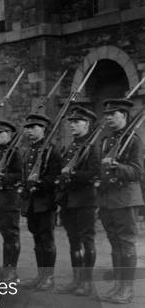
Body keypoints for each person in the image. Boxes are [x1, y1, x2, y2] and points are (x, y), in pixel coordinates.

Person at [97, 99, 143, 303]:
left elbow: (137, 171)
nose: (108, 118)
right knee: (114, 243)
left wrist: (116, 166)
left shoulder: (134, 140)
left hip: (125, 198)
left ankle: (127, 289)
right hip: (107, 199)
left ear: (124, 116)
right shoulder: (106, 140)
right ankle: (117, 286)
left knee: (126, 243)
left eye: (112, 114)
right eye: (106, 115)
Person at [56, 106, 100, 297]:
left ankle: (87, 282)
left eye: (77, 122)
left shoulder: (93, 147)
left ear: (87, 124)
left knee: (86, 240)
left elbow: (95, 173)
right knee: (73, 240)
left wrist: (72, 174)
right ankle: (76, 279)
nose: (72, 125)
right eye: (71, 122)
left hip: (85, 200)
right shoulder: (70, 146)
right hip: (68, 200)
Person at [21, 113, 61, 291]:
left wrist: (40, 183)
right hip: (31, 202)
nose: (29, 131)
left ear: (44, 129)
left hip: (46, 202)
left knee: (47, 239)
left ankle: (49, 278)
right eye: (28, 128)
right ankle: (40, 275)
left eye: (34, 128)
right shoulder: (29, 150)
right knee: (37, 239)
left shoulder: (52, 150)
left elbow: (55, 177)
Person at [0, 120, 22, 282]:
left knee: (11, 235)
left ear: (9, 134)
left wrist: (4, 177)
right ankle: (6, 267)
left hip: (9, 199)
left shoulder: (15, 153)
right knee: (5, 235)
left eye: (1, 134)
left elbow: (20, 175)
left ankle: (11, 270)